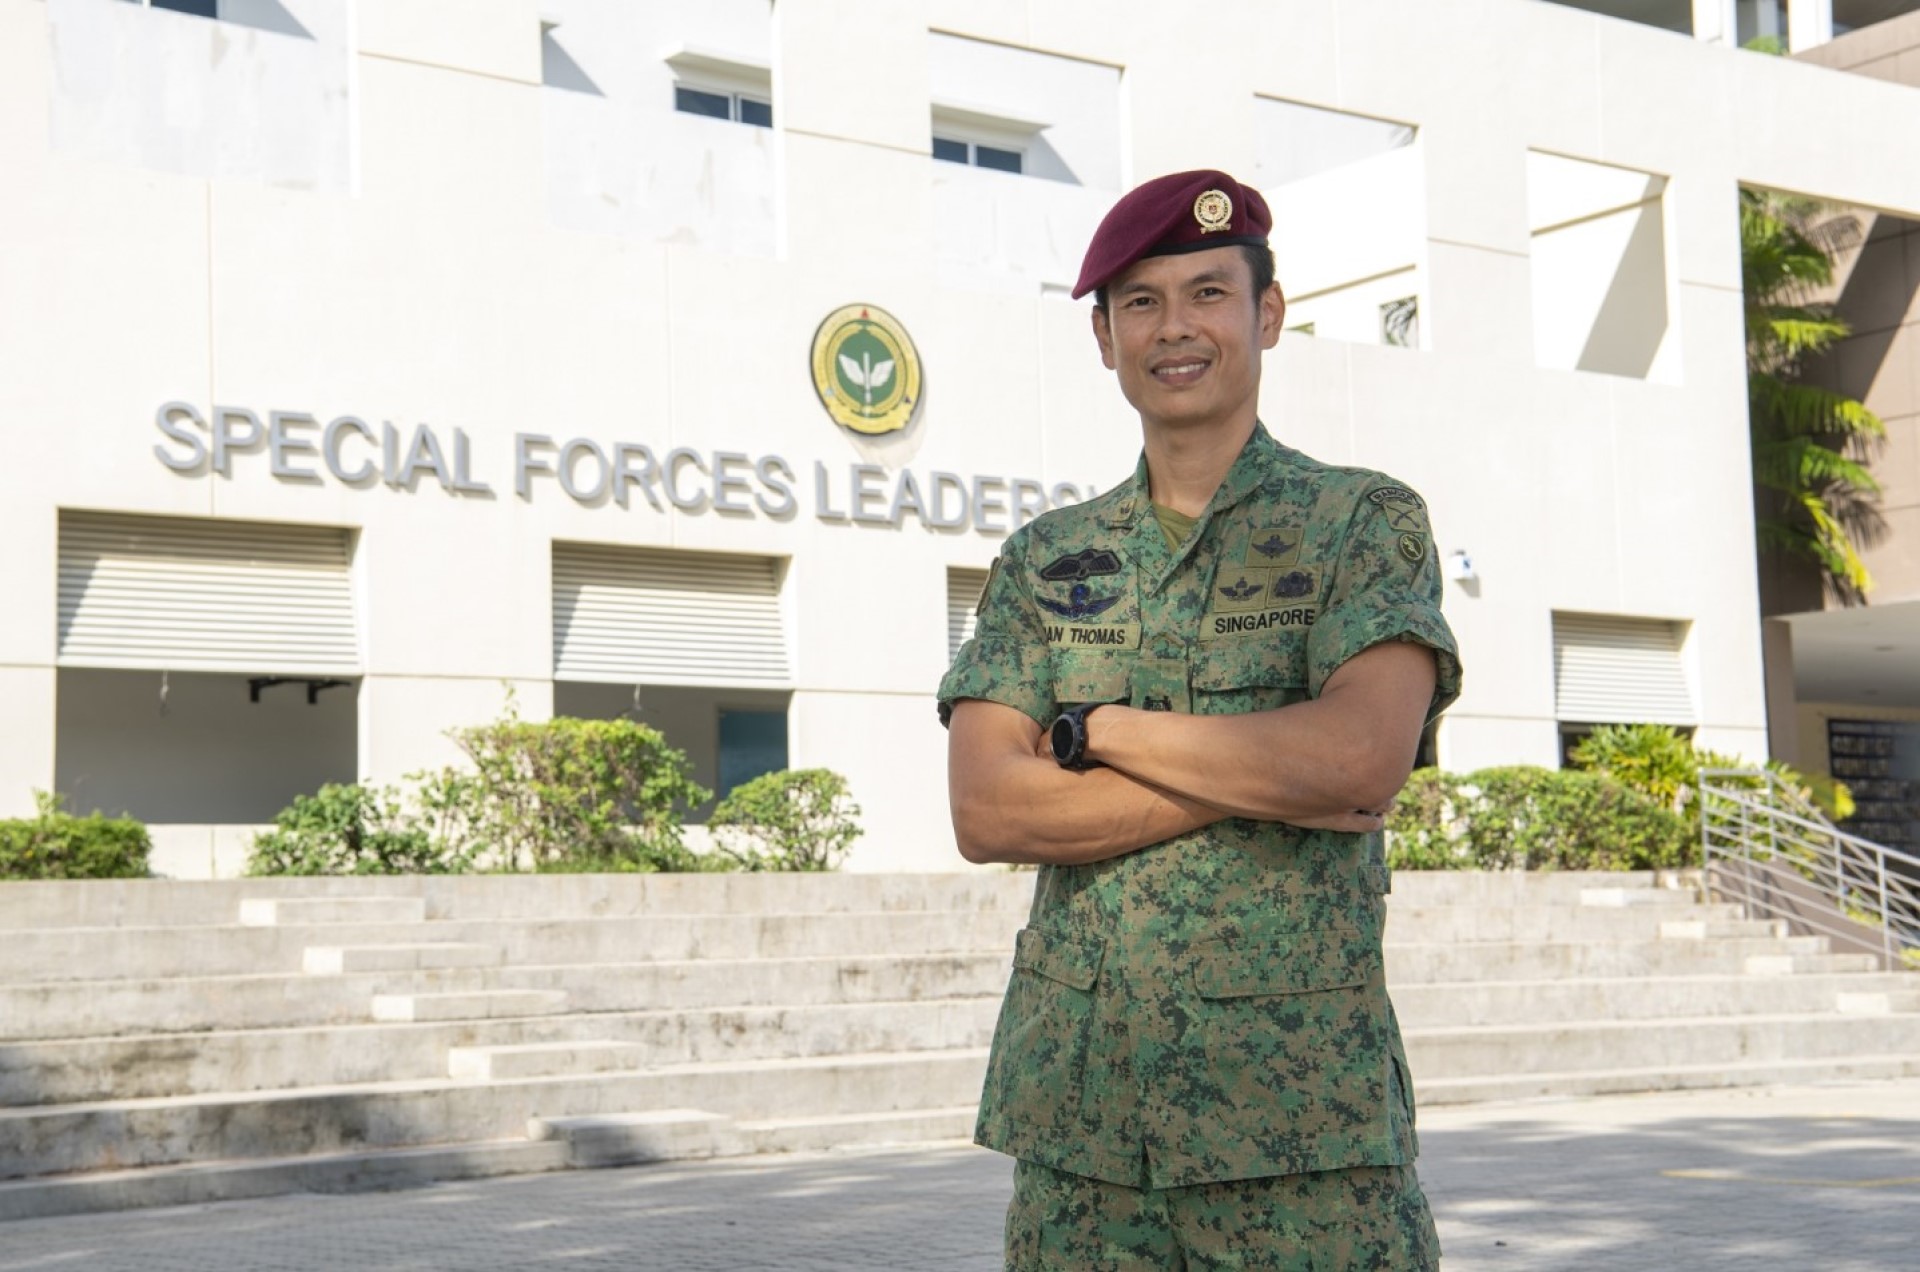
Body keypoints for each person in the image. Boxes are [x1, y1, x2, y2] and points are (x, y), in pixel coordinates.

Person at [937, 169, 1463, 1270]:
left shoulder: (1360, 524)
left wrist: (1096, 733)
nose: (1174, 328)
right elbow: (988, 809)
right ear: (1105, 337)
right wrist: (1273, 772)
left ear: (1267, 314)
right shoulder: (1046, 560)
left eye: (1208, 293)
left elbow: (1358, 759)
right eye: (1141, 302)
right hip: (1084, 1141)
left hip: (1302, 1136)